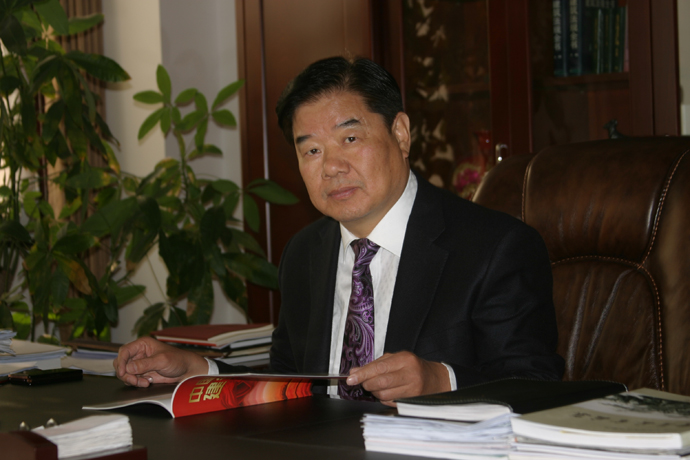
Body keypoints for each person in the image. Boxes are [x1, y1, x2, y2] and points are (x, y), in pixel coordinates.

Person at [114, 56, 564, 405]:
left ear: (401, 134)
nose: (331, 167)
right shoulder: (305, 253)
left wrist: (439, 380)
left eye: (350, 139)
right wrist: (199, 371)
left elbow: (537, 386)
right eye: (311, 151)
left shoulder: (495, 247)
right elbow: (289, 382)